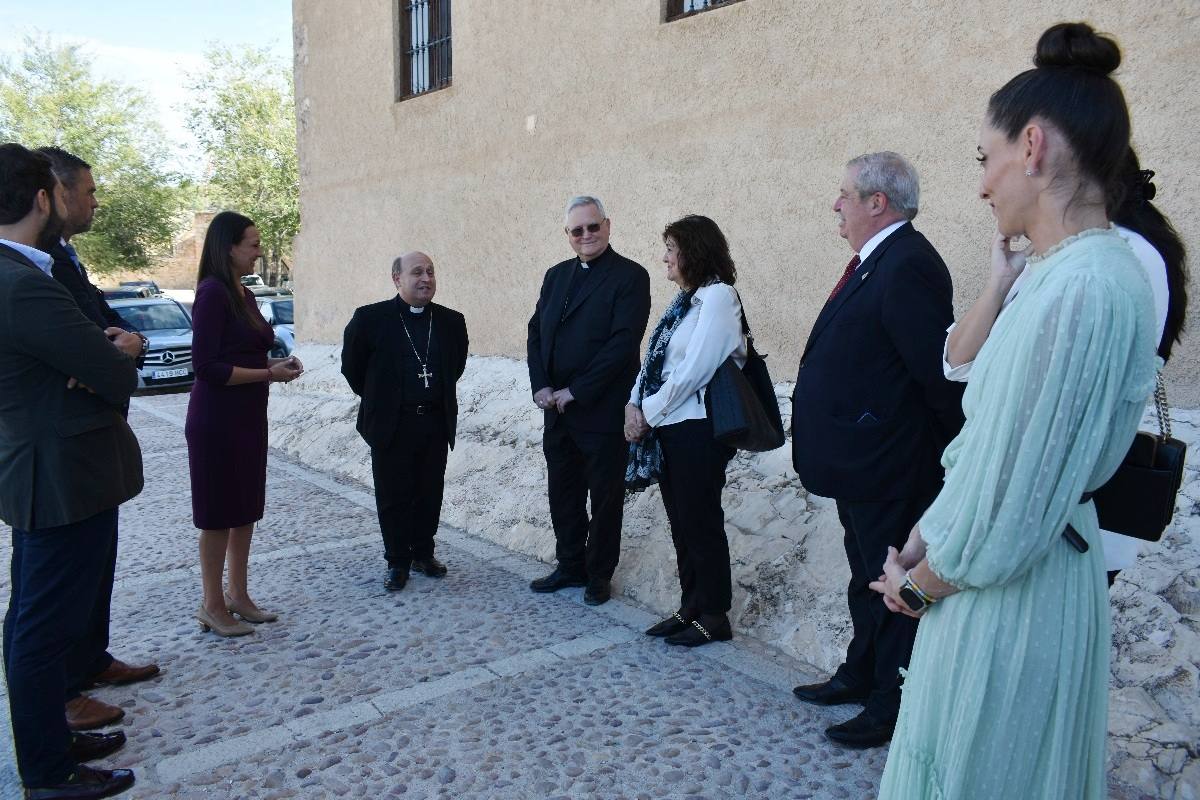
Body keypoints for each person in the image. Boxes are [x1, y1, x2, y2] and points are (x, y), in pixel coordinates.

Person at [869, 23, 1165, 799]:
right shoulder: (1073, 276)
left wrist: (922, 582)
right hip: (1014, 582)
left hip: (1010, 601)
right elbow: (998, 452)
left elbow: (1015, 502)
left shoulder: (1083, 287)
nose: (981, 185)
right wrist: (928, 533)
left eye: (984, 159)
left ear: (1031, 146)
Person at [943, 147, 1189, 586]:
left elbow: (1061, 408)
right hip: (1025, 514)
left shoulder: (1118, 261)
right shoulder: (1060, 260)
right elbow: (959, 364)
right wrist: (999, 282)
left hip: (1061, 521)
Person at [789, 151, 964, 748]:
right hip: (861, 464)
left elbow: (934, 377)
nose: (835, 204)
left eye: (844, 194)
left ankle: (891, 704)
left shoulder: (908, 263)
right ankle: (859, 674)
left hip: (890, 464)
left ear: (876, 203)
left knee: (891, 585)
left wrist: (939, 457)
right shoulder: (877, 260)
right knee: (866, 576)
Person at [0, 142, 138, 799]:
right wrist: (112, 356)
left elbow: (93, 357)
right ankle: (48, 774)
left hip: (50, 471)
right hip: (54, 476)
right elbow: (110, 367)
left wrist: (97, 357)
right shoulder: (22, 282)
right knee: (39, 626)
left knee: (37, 617)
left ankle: (53, 743)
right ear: (41, 199)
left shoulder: (20, 274)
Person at [37, 146, 161, 733]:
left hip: (92, 430)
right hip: (57, 444)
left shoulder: (62, 255)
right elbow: (76, 339)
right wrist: (104, 351)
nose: (93, 200)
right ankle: (62, 690)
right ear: (53, 193)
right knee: (59, 577)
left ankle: (91, 658)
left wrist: (121, 340)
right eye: (85, 190)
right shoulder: (28, 265)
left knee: (96, 559)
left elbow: (104, 315)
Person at [625, 215, 746, 646]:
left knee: (701, 522)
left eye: (671, 249)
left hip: (699, 429)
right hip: (671, 428)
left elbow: (695, 369)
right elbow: (657, 360)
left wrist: (648, 412)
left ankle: (715, 614)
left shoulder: (718, 298)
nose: (665, 258)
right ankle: (691, 605)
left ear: (692, 251)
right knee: (682, 523)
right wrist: (633, 403)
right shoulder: (685, 303)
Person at [527, 196, 651, 606]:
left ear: (608, 226)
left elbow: (622, 344)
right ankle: (570, 564)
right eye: (577, 230)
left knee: (605, 498)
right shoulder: (555, 275)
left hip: (600, 409)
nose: (586, 236)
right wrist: (541, 385)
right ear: (567, 235)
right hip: (557, 412)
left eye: (592, 227)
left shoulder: (630, 276)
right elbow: (536, 333)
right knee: (562, 492)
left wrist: (575, 391)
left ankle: (599, 574)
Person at [186, 211, 302, 637]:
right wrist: (268, 374)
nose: (259, 251)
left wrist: (275, 363)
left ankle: (239, 594)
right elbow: (208, 367)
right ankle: (212, 604)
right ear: (229, 247)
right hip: (217, 420)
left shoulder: (242, 293)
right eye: (252, 244)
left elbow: (246, 355)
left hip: (248, 417)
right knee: (217, 513)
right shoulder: (213, 293)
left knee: (245, 509)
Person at [341, 251, 469, 591]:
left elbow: (455, 367)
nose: (426, 278)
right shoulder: (370, 319)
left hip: (434, 422)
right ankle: (397, 561)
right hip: (392, 424)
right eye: (417, 272)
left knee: (429, 492)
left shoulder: (451, 321)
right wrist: (380, 401)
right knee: (394, 495)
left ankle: (422, 553)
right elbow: (353, 369)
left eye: (430, 272)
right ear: (397, 279)